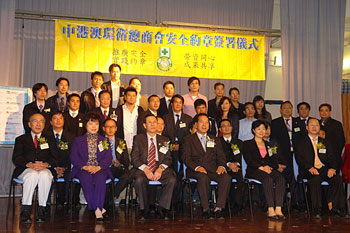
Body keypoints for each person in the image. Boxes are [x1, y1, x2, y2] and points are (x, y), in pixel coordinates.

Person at [294, 118, 346, 218]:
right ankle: (317, 210)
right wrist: (309, 168)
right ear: (307, 127)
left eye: (316, 125)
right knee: (315, 179)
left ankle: (337, 209)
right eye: (311, 125)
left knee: (337, 179)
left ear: (319, 127)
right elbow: (299, 158)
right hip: (308, 170)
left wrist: (332, 168)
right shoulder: (301, 142)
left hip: (323, 169)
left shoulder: (324, 142)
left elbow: (332, 157)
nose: (314, 127)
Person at [183, 113, 231, 219]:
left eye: (206, 123)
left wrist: (222, 166)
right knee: (203, 177)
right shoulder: (188, 139)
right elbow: (186, 158)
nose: (204, 125)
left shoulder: (214, 139)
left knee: (226, 177)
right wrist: (197, 167)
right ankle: (205, 208)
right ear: (196, 124)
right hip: (195, 170)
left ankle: (219, 208)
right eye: (201, 122)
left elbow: (221, 156)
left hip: (212, 170)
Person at [13, 113, 58, 223]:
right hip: (25, 169)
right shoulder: (21, 139)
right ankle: (25, 210)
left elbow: (55, 158)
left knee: (45, 175)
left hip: (44, 168)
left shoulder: (50, 139)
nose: (38, 124)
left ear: (44, 124)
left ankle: (42, 209)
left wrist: (46, 164)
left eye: (41, 121)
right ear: (29, 124)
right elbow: (16, 158)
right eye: (35, 121)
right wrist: (29, 164)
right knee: (32, 174)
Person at [131, 114, 176, 220]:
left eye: (154, 122)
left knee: (172, 179)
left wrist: (160, 169)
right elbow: (134, 158)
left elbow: (168, 159)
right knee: (140, 179)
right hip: (143, 167)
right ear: (144, 125)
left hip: (159, 166)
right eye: (149, 122)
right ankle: (143, 209)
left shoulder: (164, 139)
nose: (152, 124)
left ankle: (163, 208)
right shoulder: (138, 138)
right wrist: (146, 169)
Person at [70, 112, 112, 221]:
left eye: (96, 124)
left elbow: (108, 158)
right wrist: (85, 166)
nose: (94, 127)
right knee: (85, 178)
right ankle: (98, 208)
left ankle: (97, 208)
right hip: (83, 168)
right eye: (91, 124)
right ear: (85, 125)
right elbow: (74, 157)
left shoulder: (104, 140)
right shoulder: (78, 141)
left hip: (100, 168)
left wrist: (99, 167)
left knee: (100, 178)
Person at [243, 120, 286, 219]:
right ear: (253, 130)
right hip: (254, 170)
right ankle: (270, 209)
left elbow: (274, 161)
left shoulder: (269, 145)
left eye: (264, 129)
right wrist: (261, 167)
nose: (261, 131)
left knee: (280, 179)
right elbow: (249, 160)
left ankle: (278, 209)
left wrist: (269, 167)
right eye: (259, 129)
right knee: (268, 179)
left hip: (268, 169)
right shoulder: (247, 144)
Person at [270, 101, 303, 205]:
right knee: (283, 178)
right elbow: (273, 143)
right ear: (280, 110)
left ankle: (296, 202)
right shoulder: (275, 123)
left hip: (297, 156)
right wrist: (277, 160)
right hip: (282, 156)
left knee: (296, 178)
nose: (287, 110)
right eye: (285, 108)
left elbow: (303, 140)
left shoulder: (299, 122)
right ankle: (282, 201)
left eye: (289, 108)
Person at [46, 111, 74, 207]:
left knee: (70, 176)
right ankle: (45, 203)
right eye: (55, 118)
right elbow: (44, 155)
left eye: (60, 118)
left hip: (66, 166)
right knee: (46, 175)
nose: (58, 121)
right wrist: (55, 167)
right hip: (50, 166)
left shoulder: (71, 136)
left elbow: (73, 154)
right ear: (50, 122)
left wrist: (63, 168)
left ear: (64, 121)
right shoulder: (45, 136)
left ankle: (67, 203)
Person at [102, 119, 130, 210]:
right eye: (108, 127)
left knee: (127, 176)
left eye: (113, 127)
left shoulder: (121, 142)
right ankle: (110, 200)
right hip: (105, 168)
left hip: (118, 168)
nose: (110, 129)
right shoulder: (100, 141)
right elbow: (97, 159)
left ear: (116, 128)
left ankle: (111, 197)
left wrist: (120, 163)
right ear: (103, 128)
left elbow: (126, 161)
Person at [219, 119, 244, 212]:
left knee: (240, 179)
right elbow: (216, 157)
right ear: (220, 129)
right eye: (223, 126)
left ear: (231, 128)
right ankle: (225, 203)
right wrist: (228, 164)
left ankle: (237, 204)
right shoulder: (217, 142)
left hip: (236, 167)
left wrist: (236, 164)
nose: (226, 128)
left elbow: (241, 157)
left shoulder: (239, 142)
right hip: (223, 167)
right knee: (226, 179)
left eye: (228, 125)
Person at [163, 94, 192, 173]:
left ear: (182, 105)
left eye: (180, 103)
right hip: (168, 148)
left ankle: (182, 181)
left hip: (183, 148)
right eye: (176, 102)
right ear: (172, 104)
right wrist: (171, 146)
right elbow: (163, 134)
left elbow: (189, 136)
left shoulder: (188, 119)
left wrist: (181, 145)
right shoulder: (165, 118)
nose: (178, 104)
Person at [115, 87, 144, 152]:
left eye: (133, 96)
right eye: (129, 95)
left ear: (136, 97)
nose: (131, 98)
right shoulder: (118, 110)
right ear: (125, 97)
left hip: (137, 146)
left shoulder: (140, 110)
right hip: (122, 145)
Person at [319, 103, 345, 171]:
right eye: (322, 110)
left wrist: (334, 154)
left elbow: (341, 141)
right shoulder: (316, 124)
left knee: (334, 179)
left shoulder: (337, 124)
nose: (324, 112)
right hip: (319, 158)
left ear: (330, 112)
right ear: (319, 112)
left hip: (334, 157)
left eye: (326, 110)